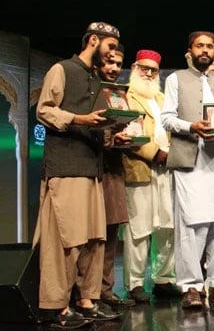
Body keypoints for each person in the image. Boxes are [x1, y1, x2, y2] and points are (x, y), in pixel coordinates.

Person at [34, 21, 123, 328]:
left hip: (92, 168)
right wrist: (79, 118)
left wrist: (113, 131)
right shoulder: (63, 69)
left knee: (93, 240)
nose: (112, 55)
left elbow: (96, 124)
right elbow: (44, 110)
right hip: (66, 166)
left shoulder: (95, 79)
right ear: (93, 40)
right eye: (110, 47)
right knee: (66, 241)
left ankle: (87, 300)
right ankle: (56, 307)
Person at [161, 31, 214, 309]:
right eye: (200, 46)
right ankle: (192, 287)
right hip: (190, 159)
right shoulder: (175, 79)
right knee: (192, 224)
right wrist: (191, 126)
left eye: (209, 46)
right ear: (190, 50)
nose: (205, 50)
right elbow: (167, 118)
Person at [121, 49, 179, 302]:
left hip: (168, 169)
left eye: (153, 70)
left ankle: (163, 279)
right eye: (144, 68)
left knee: (168, 226)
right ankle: (134, 284)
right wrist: (155, 153)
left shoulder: (164, 97)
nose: (148, 73)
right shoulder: (125, 97)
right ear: (134, 68)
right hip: (141, 167)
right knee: (140, 228)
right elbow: (128, 133)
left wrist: (173, 152)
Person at [90, 44, 135, 307]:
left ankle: (106, 290)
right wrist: (110, 136)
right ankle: (87, 292)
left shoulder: (117, 94)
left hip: (115, 167)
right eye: (110, 63)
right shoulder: (91, 89)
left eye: (119, 64)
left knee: (111, 229)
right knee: (92, 235)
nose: (114, 68)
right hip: (91, 168)